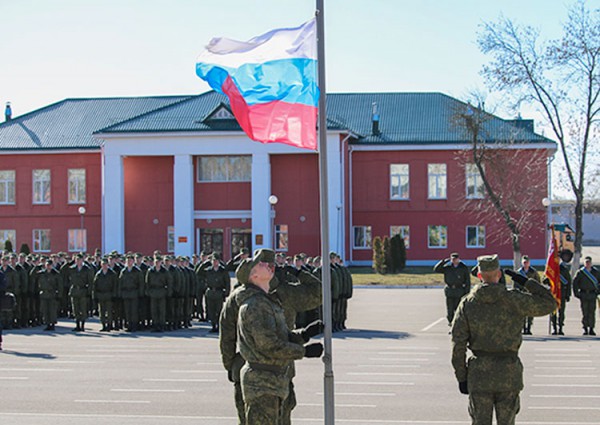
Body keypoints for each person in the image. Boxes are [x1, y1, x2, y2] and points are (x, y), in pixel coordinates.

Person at [220, 248, 323, 425]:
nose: (269, 268)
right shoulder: (254, 299)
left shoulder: (272, 293)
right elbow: (233, 335)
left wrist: (303, 336)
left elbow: (228, 336)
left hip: (275, 368)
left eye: (269, 265)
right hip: (261, 370)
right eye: (263, 264)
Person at [451, 254, 557, 425]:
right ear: (499, 274)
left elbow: (458, 345)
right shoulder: (514, 299)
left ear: (479, 275)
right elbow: (550, 303)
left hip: (479, 375)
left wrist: (461, 377)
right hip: (508, 373)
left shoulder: (468, 303)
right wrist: (525, 281)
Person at [434, 253, 471, 326]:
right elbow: (436, 269)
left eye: (455, 259)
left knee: (458, 309)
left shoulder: (463, 268)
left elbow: (467, 281)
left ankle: (457, 323)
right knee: (450, 310)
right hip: (450, 290)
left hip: (459, 290)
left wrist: (467, 292)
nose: (453, 261)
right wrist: (443, 261)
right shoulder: (447, 267)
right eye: (452, 259)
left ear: (458, 259)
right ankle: (451, 322)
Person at [513, 255, 541, 335]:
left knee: (530, 312)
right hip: (522, 294)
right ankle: (523, 328)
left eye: (527, 262)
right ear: (522, 263)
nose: (525, 264)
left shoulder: (533, 272)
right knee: (522, 312)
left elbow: (538, 282)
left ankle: (528, 328)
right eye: (524, 262)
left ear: (529, 263)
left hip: (531, 294)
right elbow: (515, 283)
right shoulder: (519, 272)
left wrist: (537, 293)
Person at [572, 256, 600, 336]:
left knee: (592, 312)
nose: (587, 264)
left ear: (591, 263)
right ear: (584, 263)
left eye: (589, 262)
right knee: (585, 312)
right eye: (586, 262)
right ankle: (585, 328)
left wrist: (598, 292)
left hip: (592, 294)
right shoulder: (581, 272)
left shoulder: (596, 272)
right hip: (584, 294)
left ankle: (591, 328)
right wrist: (576, 293)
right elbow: (575, 283)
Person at [67, 253, 93, 332]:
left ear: (82, 260)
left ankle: (82, 325)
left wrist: (89, 292)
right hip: (74, 290)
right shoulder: (72, 268)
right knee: (75, 309)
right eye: (76, 260)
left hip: (83, 291)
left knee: (83, 309)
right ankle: (77, 324)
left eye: (79, 260)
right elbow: (64, 272)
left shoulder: (86, 269)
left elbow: (90, 281)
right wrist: (70, 262)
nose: (78, 261)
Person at [550, 251, 572, 335]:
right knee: (553, 311)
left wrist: (568, 294)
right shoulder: (550, 269)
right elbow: (546, 280)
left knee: (561, 312)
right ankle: (554, 328)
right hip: (553, 294)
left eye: (558, 258)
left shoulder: (564, 270)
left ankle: (560, 327)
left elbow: (568, 282)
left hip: (562, 293)